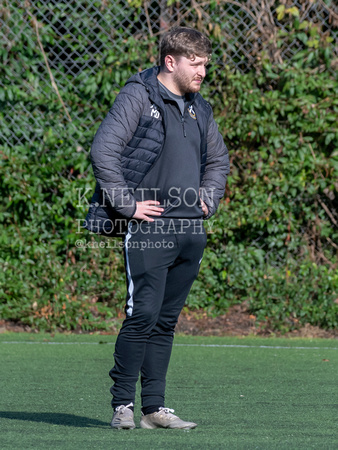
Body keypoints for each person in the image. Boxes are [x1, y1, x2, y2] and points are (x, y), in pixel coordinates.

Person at [88, 27, 230, 430]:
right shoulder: (139, 95)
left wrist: (208, 197)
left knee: (166, 320)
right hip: (151, 228)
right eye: (195, 63)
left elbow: (218, 161)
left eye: (206, 64)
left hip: (191, 230)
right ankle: (122, 407)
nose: (203, 71)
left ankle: (154, 408)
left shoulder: (199, 107)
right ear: (171, 61)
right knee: (142, 315)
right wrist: (126, 204)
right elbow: (104, 149)